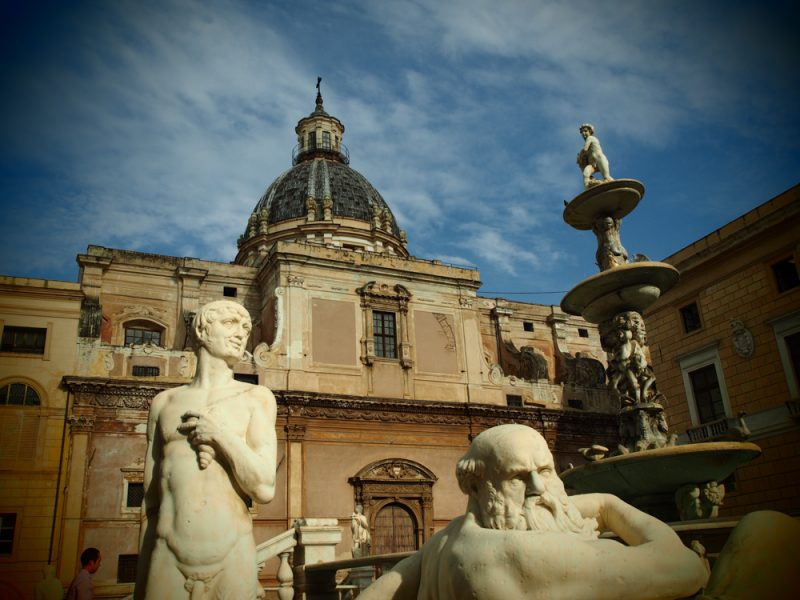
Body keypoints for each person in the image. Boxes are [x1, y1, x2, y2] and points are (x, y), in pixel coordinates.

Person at [359, 424, 707, 600]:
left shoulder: (445, 542)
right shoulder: (530, 552)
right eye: (517, 477)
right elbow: (685, 567)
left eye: (545, 471)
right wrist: (607, 503)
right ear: (476, 487)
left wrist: (559, 509)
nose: (539, 488)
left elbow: (375, 594)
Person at [134, 300, 278, 600]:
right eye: (229, 324)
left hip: (232, 554)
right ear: (201, 330)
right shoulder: (165, 404)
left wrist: (220, 436)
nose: (241, 334)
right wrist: (141, 584)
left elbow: (264, 487)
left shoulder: (256, 398)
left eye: (245, 328)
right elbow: (151, 504)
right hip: (167, 556)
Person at [577, 123, 613, 188]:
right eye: (582, 132)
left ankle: (615, 187)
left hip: (600, 159)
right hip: (592, 164)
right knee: (585, 174)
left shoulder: (590, 138)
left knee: (607, 178)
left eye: (585, 131)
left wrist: (580, 157)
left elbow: (585, 149)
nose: (583, 133)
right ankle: (588, 189)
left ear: (590, 131)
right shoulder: (588, 143)